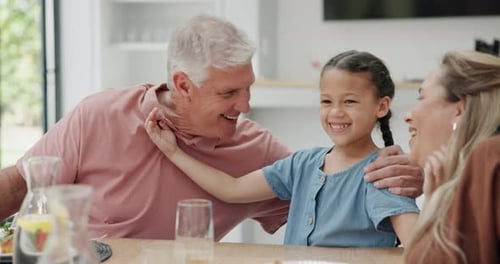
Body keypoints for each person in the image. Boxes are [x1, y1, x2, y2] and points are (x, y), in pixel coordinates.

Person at [0, 15, 422, 241]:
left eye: (248, 89)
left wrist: (409, 175)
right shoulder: (99, 115)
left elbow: (329, 201)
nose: (246, 105)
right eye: (229, 93)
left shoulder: (260, 150)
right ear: (183, 84)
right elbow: (21, 185)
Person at [145, 50, 420, 247]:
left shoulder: (383, 175)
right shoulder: (304, 164)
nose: (335, 112)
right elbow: (232, 188)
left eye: (349, 102)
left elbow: (422, 251)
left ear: (381, 107)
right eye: (326, 101)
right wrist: (173, 152)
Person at [403, 51, 500, 263]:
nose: (407, 115)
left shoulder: (490, 160)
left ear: (460, 109)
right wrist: (436, 201)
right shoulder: (465, 180)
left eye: (422, 98)